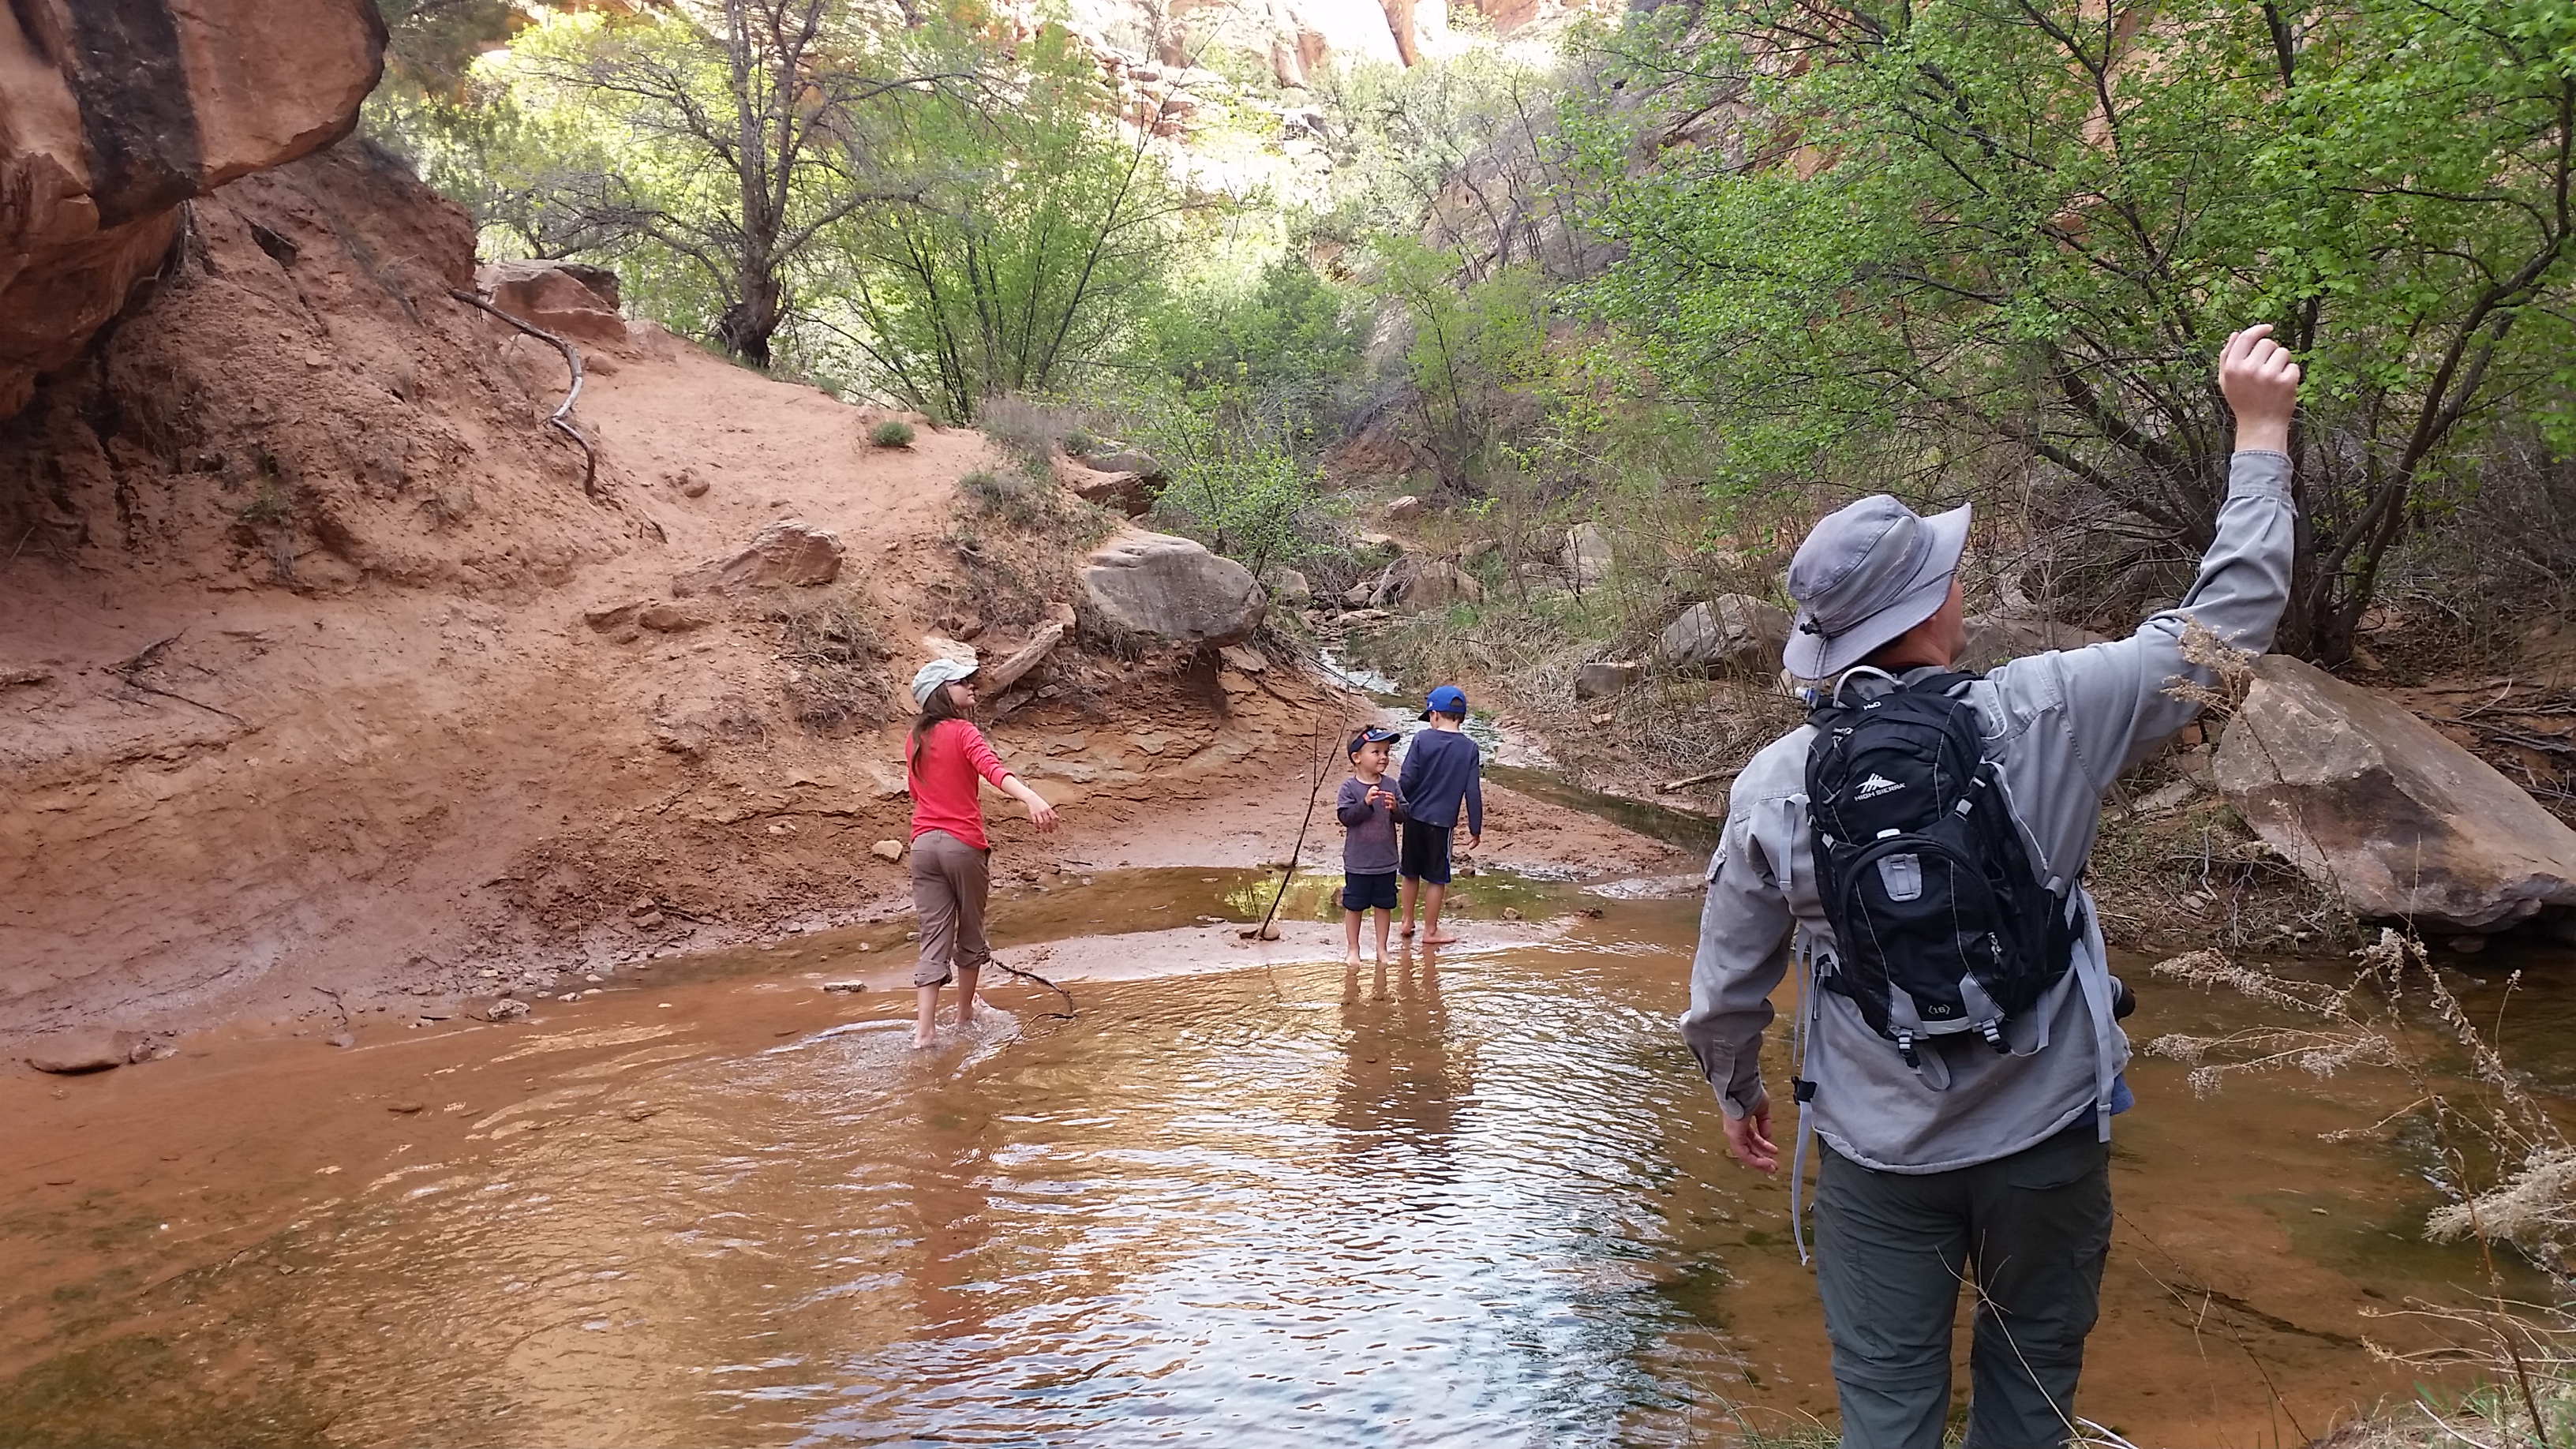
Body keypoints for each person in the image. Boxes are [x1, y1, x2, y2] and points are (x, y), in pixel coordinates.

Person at [1681, 325, 2301, 1448]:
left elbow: (1727, 988)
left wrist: (1737, 1093)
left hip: (1875, 1155)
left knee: (1886, 1406)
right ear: (1929, 612)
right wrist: (2259, 432)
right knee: (2031, 1389)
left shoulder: (1771, 786)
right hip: (2047, 1134)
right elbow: (2226, 634)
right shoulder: (2050, 710)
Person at [904, 657, 1058, 1049]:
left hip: (923, 846)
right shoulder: (963, 731)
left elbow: (917, 794)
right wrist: (1031, 798)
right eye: (962, 682)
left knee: (932, 935)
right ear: (943, 692)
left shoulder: (914, 739)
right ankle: (965, 1014)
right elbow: (992, 771)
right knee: (970, 930)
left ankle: (924, 1033)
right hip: (962, 845)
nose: (972, 686)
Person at [1396, 684, 1484, 945]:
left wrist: (1399, 806)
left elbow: (1407, 778)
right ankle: (1431, 931)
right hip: (1442, 823)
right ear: (1461, 717)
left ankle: (1406, 921)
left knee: (1410, 871)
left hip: (1414, 816)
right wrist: (1475, 828)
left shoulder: (1422, 739)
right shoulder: (1469, 748)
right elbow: (1473, 791)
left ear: (1434, 716)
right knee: (1436, 876)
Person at [1336, 725, 1407, 968]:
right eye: (1376, 752)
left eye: (1386, 752)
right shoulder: (1349, 788)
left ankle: (1381, 948)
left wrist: (1396, 808)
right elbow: (1345, 817)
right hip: (1358, 862)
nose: (1384, 757)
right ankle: (1353, 949)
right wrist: (1365, 804)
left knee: (1384, 905)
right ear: (1357, 758)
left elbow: (1405, 815)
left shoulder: (1392, 785)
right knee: (1354, 906)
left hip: (1385, 861)